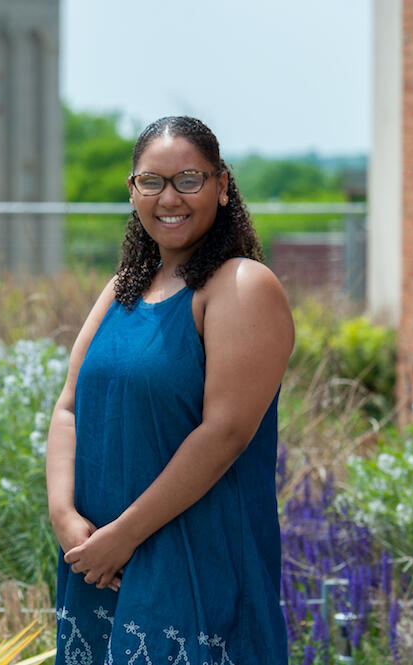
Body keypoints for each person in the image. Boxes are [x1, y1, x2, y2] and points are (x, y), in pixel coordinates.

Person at [46, 115, 294, 665]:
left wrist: (123, 536)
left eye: (188, 179)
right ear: (132, 192)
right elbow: (68, 407)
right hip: (97, 565)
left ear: (222, 185)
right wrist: (64, 517)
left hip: (190, 565)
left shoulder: (241, 285)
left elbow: (224, 433)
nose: (169, 197)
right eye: (151, 182)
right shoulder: (122, 289)